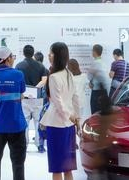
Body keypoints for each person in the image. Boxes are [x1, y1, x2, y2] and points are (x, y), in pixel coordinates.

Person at [0, 46, 27, 180]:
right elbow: (21, 92)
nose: (13, 59)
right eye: (12, 57)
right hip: (16, 124)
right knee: (18, 162)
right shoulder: (18, 75)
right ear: (8, 59)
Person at [41, 42, 80, 180]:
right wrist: (76, 118)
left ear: (57, 56)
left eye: (51, 53)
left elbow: (58, 103)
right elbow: (75, 98)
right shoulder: (69, 74)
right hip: (69, 125)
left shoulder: (53, 77)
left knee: (57, 168)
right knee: (68, 168)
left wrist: (70, 116)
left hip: (56, 124)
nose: (49, 55)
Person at [16, 45, 49, 152]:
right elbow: (44, 80)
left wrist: (26, 90)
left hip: (24, 97)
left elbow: (17, 81)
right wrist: (35, 88)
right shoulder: (40, 66)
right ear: (33, 53)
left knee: (25, 121)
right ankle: (40, 145)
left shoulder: (19, 66)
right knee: (38, 121)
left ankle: (24, 144)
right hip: (37, 97)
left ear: (23, 53)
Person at [86, 44, 110, 114]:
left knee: (95, 112)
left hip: (96, 91)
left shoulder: (95, 63)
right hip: (104, 91)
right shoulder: (104, 63)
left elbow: (89, 77)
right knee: (103, 112)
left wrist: (90, 82)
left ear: (94, 52)